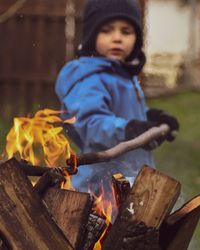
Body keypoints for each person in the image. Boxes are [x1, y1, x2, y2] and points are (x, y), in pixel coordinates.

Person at [55, 0, 179, 198]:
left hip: (131, 178)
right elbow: (92, 123)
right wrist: (128, 129)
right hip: (102, 187)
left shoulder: (123, 76)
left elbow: (122, 113)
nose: (117, 38)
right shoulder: (89, 77)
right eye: (107, 30)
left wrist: (150, 119)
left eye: (126, 32)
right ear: (90, 35)